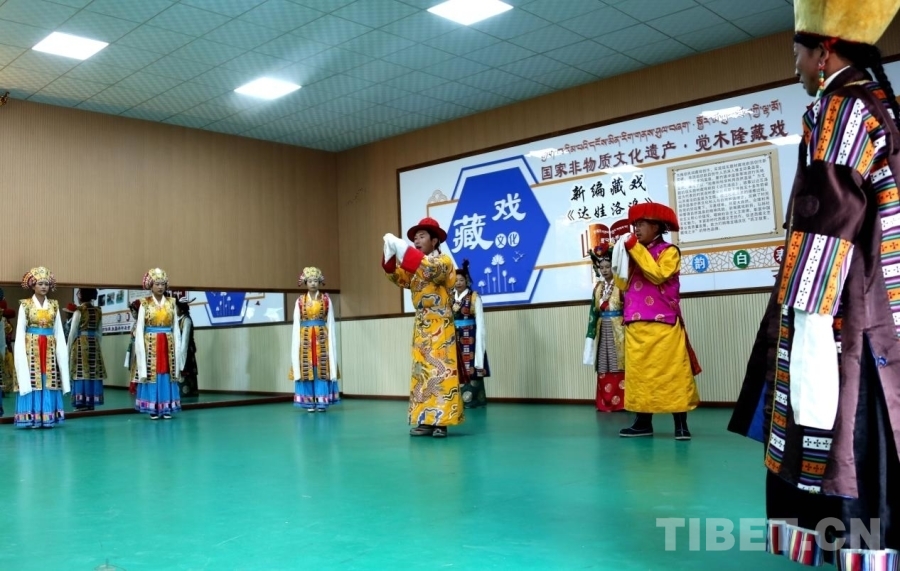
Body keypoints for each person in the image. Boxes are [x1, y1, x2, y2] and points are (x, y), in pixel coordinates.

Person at [728, 0, 900, 566]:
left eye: (798, 53)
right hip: (882, 298)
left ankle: (855, 549)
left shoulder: (839, 109)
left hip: (846, 304)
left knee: (835, 417)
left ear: (823, 52)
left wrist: (806, 320)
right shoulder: (879, 103)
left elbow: (827, 218)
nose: (796, 66)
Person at [611, 204, 701, 439]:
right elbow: (621, 284)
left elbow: (658, 274)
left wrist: (634, 249)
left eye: (641, 224)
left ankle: (681, 424)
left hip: (664, 324)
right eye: (635, 225)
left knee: (673, 373)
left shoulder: (670, 251)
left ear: (657, 227)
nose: (636, 229)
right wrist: (621, 254)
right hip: (635, 322)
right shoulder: (634, 252)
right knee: (640, 376)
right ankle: (642, 423)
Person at [382, 217, 464, 438]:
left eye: (422, 236)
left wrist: (404, 250)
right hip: (421, 325)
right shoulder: (415, 268)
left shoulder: (443, 261)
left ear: (434, 240)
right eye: (415, 238)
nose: (417, 241)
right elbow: (397, 277)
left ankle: (441, 421)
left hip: (441, 324)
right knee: (422, 373)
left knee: (441, 372)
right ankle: (425, 420)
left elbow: (431, 270)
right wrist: (389, 254)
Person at [14, 267, 70, 428]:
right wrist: (20, 354)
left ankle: (47, 417)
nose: (44, 286)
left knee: (48, 379)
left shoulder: (54, 305)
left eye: (46, 283)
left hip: (49, 347)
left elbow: (58, 331)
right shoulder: (25, 305)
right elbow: (20, 331)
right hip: (31, 347)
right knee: (32, 379)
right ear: (33, 285)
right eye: (40, 283)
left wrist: (61, 353)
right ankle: (32, 418)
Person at [134, 269, 185, 420]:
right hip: (150, 341)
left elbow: (175, 327)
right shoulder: (145, 303)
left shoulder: (171, 303)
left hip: (168, 341)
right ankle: (153, 408)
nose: (160, 287)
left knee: (168, 372)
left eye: (162, 284)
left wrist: (178, 347)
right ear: (151, 285)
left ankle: (167, 407)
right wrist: (140, 350)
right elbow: (140, 327)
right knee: (152, 372)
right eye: (157, 284)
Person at [583, 243, 626, 412]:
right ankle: (604, 403)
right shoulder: (598, 288)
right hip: (603, 328)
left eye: (608, 266)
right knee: (603, 363)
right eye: (602, 267)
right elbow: (593, 313)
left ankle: (621, 402)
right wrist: (590, 334)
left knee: (618, 363)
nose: (605, 270)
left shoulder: (622, 286)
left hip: (619, 330)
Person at [289, 267, 339, 412]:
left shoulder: (326, 299)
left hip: (322, 337)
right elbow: (296, 323)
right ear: (305, 282)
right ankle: (308, 402)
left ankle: (322, 401)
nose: (313, 283)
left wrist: (331, 341)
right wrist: (296, 343)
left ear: (319, 282)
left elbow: (330, 321)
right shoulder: (300, 300)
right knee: (307, 367)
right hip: (305, 338)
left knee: (320, 367)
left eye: (315, 281)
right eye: (310, 281)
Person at [452, 259, 490, 408]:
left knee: (471, 367)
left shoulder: (474, 297)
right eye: (456, 280)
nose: (458, 283)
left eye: (461, 280)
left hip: (470, 337)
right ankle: (456, 401)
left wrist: (480, 342)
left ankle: (473, 400)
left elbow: (480, 321)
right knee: (455, 367)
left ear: (467, 281)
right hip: (453, 336)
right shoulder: (450, 297)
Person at [68, 288, 106, 411]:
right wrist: (97, 345)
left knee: (81, 372)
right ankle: (91, 402)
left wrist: (68, 350)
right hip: (94, 344)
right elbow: (99, 332)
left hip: (80, 343)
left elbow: (73, 332)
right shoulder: (98, 311)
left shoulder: (79, 311)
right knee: (93, 372)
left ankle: (81, 402)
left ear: (81, 295)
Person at [176, 296, 199, 398]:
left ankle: (188, 392)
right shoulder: (178, 320)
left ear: (181, 309)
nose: (175, 310)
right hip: (179, 350)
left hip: (186, 351)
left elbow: (185, 341)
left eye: (177, 308)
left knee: (187, 370)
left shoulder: (186, 321)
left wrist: (182, 356)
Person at [126, 300, 140, 396]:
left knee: (138, 367)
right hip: (133, 347)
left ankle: (137, 387)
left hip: (138, 347)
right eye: (132, 312)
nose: (133, 314)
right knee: (133, 367)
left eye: (134, 312)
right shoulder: (135, 323)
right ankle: (133, 387)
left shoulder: (141, 323)